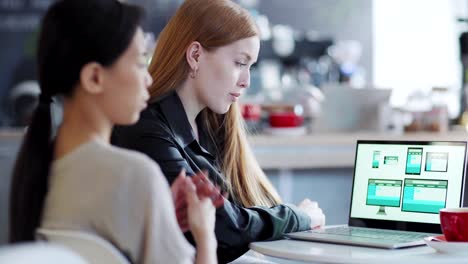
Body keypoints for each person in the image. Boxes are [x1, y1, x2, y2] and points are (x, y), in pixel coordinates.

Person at [8, 0, 223, 263]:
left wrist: (157, 208)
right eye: (140, 62)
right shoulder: (135, 174)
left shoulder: (36, 165)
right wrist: (205, 234)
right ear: (94, 78)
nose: (149, 79)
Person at [112, 0, 326, 262]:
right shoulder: (147, 131)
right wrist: (298, 217)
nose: (246, 81)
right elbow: (225, 225)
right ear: (195, 55)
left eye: (251, 66)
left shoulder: (209, 127)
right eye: (239, 63)